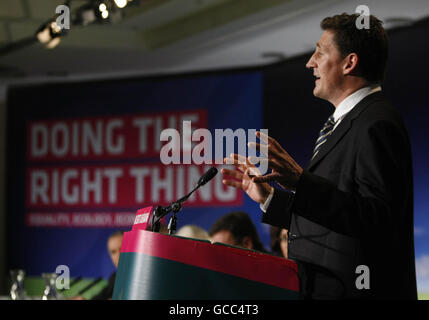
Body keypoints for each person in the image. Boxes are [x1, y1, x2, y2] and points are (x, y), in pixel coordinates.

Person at [221, 13, 416, 299]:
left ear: (349, 63)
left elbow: (376, 221)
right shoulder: (345, 123)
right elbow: (335, 218)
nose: (310, 62)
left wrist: (301, 181)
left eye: (320, 52)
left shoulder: (376, 123)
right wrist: (271, 199)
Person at [71, 230, 123, 300]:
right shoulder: (115, 277)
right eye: (113, 252)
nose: (118, 255)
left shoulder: (139, 277)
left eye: (121, 249)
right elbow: (101, 297)